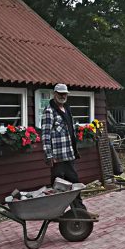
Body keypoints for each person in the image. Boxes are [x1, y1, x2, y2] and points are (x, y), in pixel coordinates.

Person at [41, 83, 87, 211]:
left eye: (65, 94)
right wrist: (49, 155)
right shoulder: (49, 111)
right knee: (58, 187)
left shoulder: (67, 109)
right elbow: (45, 135)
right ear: (54, 94)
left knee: (74, 183)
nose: (63, 96)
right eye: (60, 94)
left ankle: (80, 211)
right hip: (57, 157)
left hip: (69, 155)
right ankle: (55, 211)